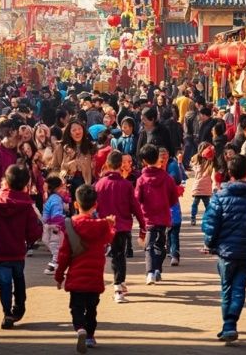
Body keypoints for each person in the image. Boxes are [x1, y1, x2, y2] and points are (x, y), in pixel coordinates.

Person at [203, 153, 246, 343]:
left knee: (226, 289)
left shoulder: (219, 197)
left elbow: (210, 224)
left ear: (229, 173)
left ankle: (228, 326)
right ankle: (231, 324)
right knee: (239, 289)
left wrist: (209, 242)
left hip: (225, 252)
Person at [0, 164, 43, 330]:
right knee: (19, 278)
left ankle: (7, 312)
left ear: (5, 180)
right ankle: (19, 307)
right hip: (17, 249)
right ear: (25, 184)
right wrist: (33, 238)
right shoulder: (26, 204)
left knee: (4, 282)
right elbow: (33, 230)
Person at [55, 183, 114, 353]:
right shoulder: (101, 225)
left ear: (75, 204)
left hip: (76, 277)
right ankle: (90, 336)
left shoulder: (70, 225)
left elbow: (64, 255)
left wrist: (59, 276)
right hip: (95, 277)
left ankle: (79, 328)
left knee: (77, 307)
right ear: (96, 205)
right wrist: (111, 224)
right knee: (92, 309)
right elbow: (109, 238)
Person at [95, 150, 145, 303]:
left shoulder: (99, 184)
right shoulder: (126, 185)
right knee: (119, 256)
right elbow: (135, 206)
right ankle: (118, 285)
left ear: (108, 164)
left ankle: (116, 283)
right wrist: (143, 225)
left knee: (108, 255)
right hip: (122, 226)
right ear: (120, 166)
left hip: (103, 225)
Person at [135, 143, 179, 285]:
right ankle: (157, 269)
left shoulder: (141, 180)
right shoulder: (167, 178)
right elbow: (173, 199)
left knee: (149, 246)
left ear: (144, 161)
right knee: (161, 245)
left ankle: (150, 272)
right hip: (164, 217)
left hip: (148, 218)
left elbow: (137, 199)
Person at [51, 119, 95, 204]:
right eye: (74, 130)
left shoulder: (90, 146)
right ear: (69, 133)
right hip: (67, 181)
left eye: (79, 129)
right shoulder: (61, 147)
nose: (77, 132)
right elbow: (54, 167)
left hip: (85, 183)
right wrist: (66, 167)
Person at [42, 173, 68, 275]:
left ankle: (53, 266)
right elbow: (56, 215)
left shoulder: (53, 198)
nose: (64, 189)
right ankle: (54, 267)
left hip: (50, 227)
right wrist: (58, 227)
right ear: (58, 187)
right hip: (55, 228)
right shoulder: (56, 199)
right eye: (62, 187)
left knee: (56, 249)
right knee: (57, 248)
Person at [0, 118, 21, 191]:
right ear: (12, 132)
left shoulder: (20, 148)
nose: (20, 138)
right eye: (18, 136)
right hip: (5, 193)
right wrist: (3, 192)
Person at [190, 142, 214, 225]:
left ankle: (193, 218)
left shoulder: (196, 160)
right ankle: (209, 218)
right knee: (207, 204)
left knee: (195, 203)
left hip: (197, 186)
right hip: (206, 186)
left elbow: (191, 163)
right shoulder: (210, 161)